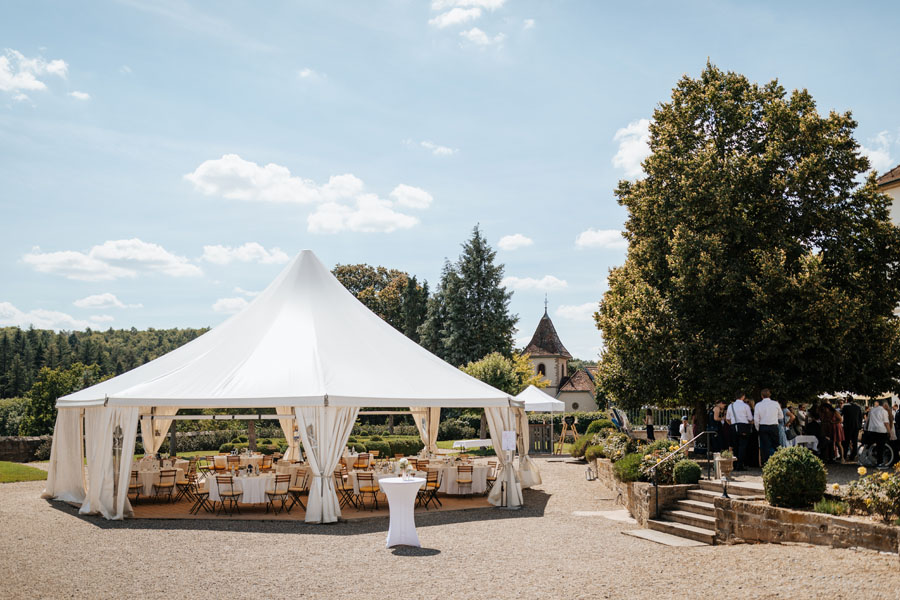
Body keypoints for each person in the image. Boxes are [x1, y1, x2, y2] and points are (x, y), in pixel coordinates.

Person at [754, 388, 782, 466]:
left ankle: (767, 463)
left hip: (763, 426)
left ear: (762, 396)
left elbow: (756, 419)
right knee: (776, 445)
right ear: (770, 395)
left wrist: (758, 428)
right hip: (773, 426)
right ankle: (778, 462)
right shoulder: (775, 404)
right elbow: (781, 416)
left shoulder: (758, 405)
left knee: (766, 446)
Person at [728, 392, 753, 470]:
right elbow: (750, 418)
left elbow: (727, 418)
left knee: (735, 446)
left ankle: (735, 464)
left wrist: (732, 424)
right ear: (743, 397)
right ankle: (740, 465)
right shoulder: (745, 406)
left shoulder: (730, 406)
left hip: (733, 426)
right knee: (743, 446)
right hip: (743, 426)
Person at [865, 401, 891, 468]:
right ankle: (880, 462)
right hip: (881, 430)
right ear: (884, 405)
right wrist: (889, 432)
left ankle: (869, 460)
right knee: (881, 447)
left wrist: (866, 429)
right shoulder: (884, 411)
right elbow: (886, 423)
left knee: (872, 446)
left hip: (872, 430)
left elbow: (868, 420)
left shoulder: (872, 410)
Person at [841, 397, 862, 461]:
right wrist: (859, 426)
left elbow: (841, 415)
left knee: (846, 441)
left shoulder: (845, 407)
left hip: (847, 426)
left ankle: (844, 455)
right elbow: (860, 417)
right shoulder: (858, 407)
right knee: (854, 441)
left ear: (847, 400)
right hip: (856, 426)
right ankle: (853, 455)